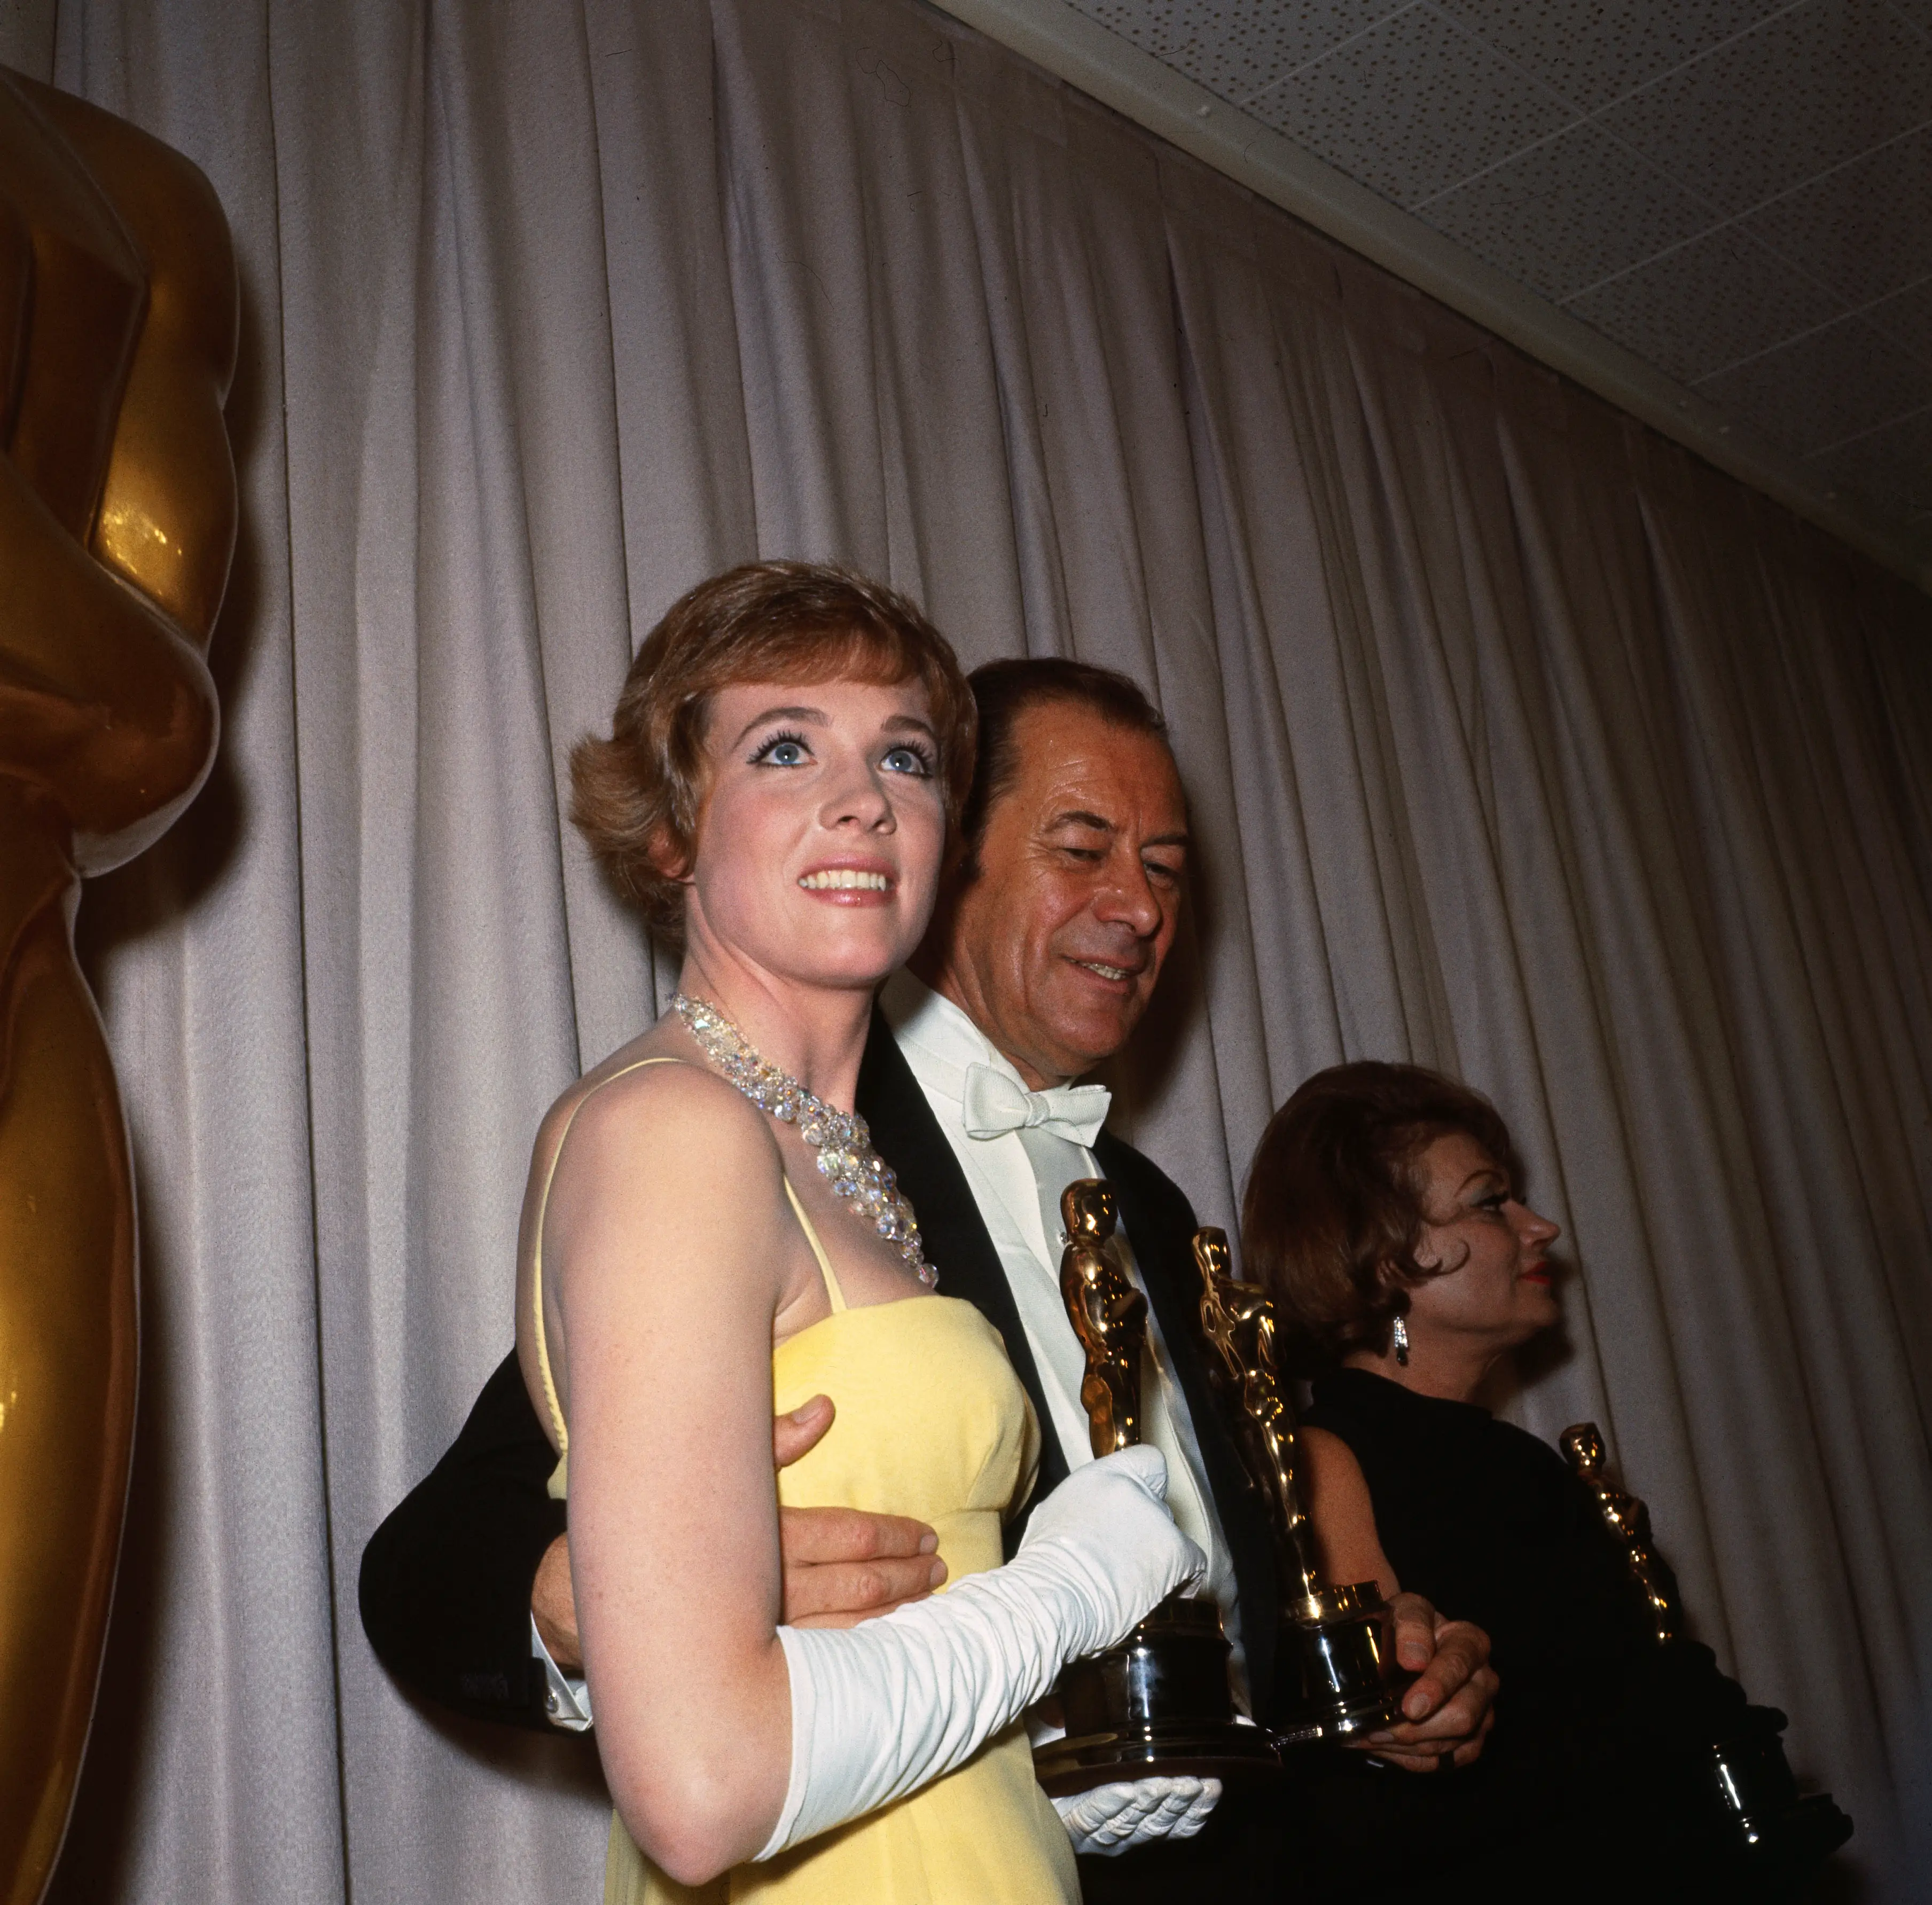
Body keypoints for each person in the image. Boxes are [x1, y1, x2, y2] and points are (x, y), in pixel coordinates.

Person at [362, 648, 1501, 1900]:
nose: (1138, 907)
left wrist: (1353, 1672)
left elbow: (1207, 1569)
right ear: (948, 861)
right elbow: (433, 1561)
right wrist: (600, 1601)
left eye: (1163, 869)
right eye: (1082, 848)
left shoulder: (1158, 1208)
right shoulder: (767, 1140)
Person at [512, 559, 1208, 1902]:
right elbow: (705, 1789)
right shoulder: (677, 1132)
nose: (861, 799)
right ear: (671, 832)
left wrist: (1045, 1756)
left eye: (903, 756)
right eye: (785, 748)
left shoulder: (827, 1152)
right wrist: (1064, 1596)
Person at [1241, 1060, 1844, 1903]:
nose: (1543, 1227)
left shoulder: (1528, 1467)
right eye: (1492, 1202)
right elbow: (1394, 1782)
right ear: (1383, 1259)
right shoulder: (1321, 1460)